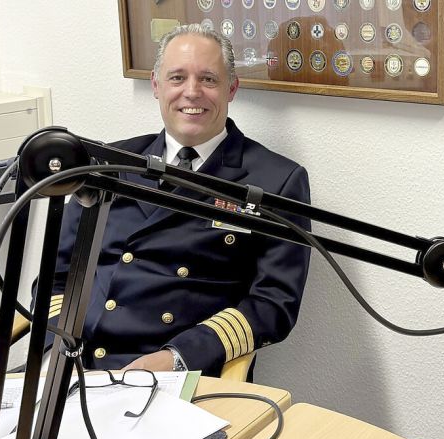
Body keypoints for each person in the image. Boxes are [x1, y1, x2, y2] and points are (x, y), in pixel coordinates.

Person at [43, 24, 311, 378]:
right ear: (156, 86)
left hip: (176, 372)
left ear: (231, 88)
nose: (191, 93)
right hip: (78, 360)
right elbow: (57, 276)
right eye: (177, 78)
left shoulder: (276, 181)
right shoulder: (109, 163)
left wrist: (177, 358)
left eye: (208, 80)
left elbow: (274, 303)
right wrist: (56, 350)